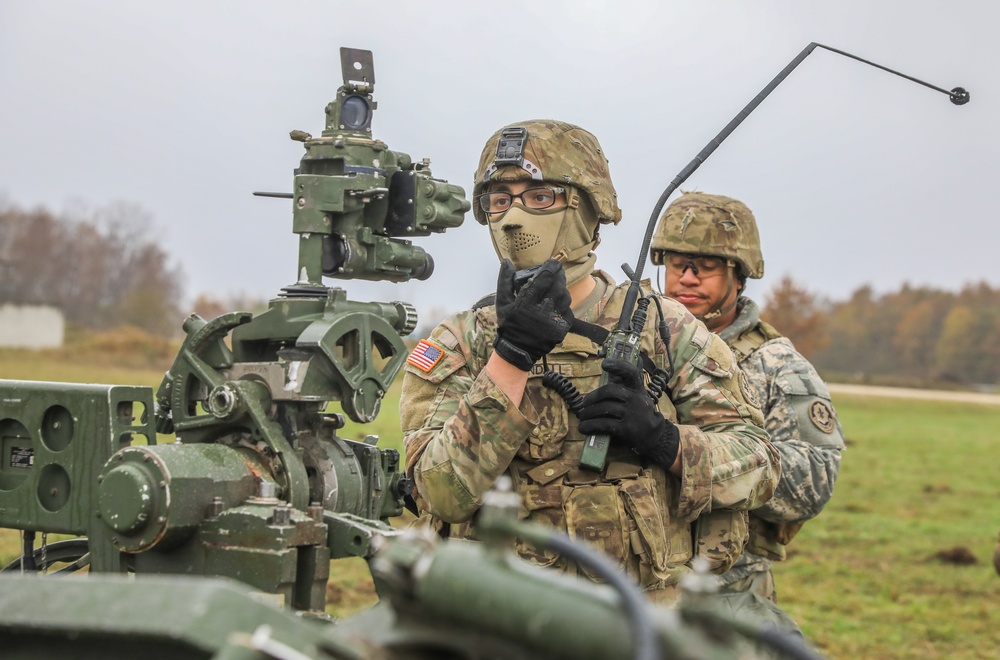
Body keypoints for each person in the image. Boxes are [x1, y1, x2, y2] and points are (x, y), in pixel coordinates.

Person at [400, 120, 780, 602]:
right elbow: (440, 493)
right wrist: (509, 360)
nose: (514, 218)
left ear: (587, 209)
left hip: (638, 620)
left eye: (539, 197)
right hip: (494, 619)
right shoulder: (461, 340)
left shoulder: (665, 327)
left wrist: (665, 441)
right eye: (500, 199)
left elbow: (760, 466)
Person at [650, 191, 845, 603]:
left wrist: (699, 451)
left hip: (727, 587)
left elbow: (814, 481)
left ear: (739, 275)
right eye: (675, 263)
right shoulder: (633, 345)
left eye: (705, 267)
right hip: (635, 578)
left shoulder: (774, 365)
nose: (687, 277)